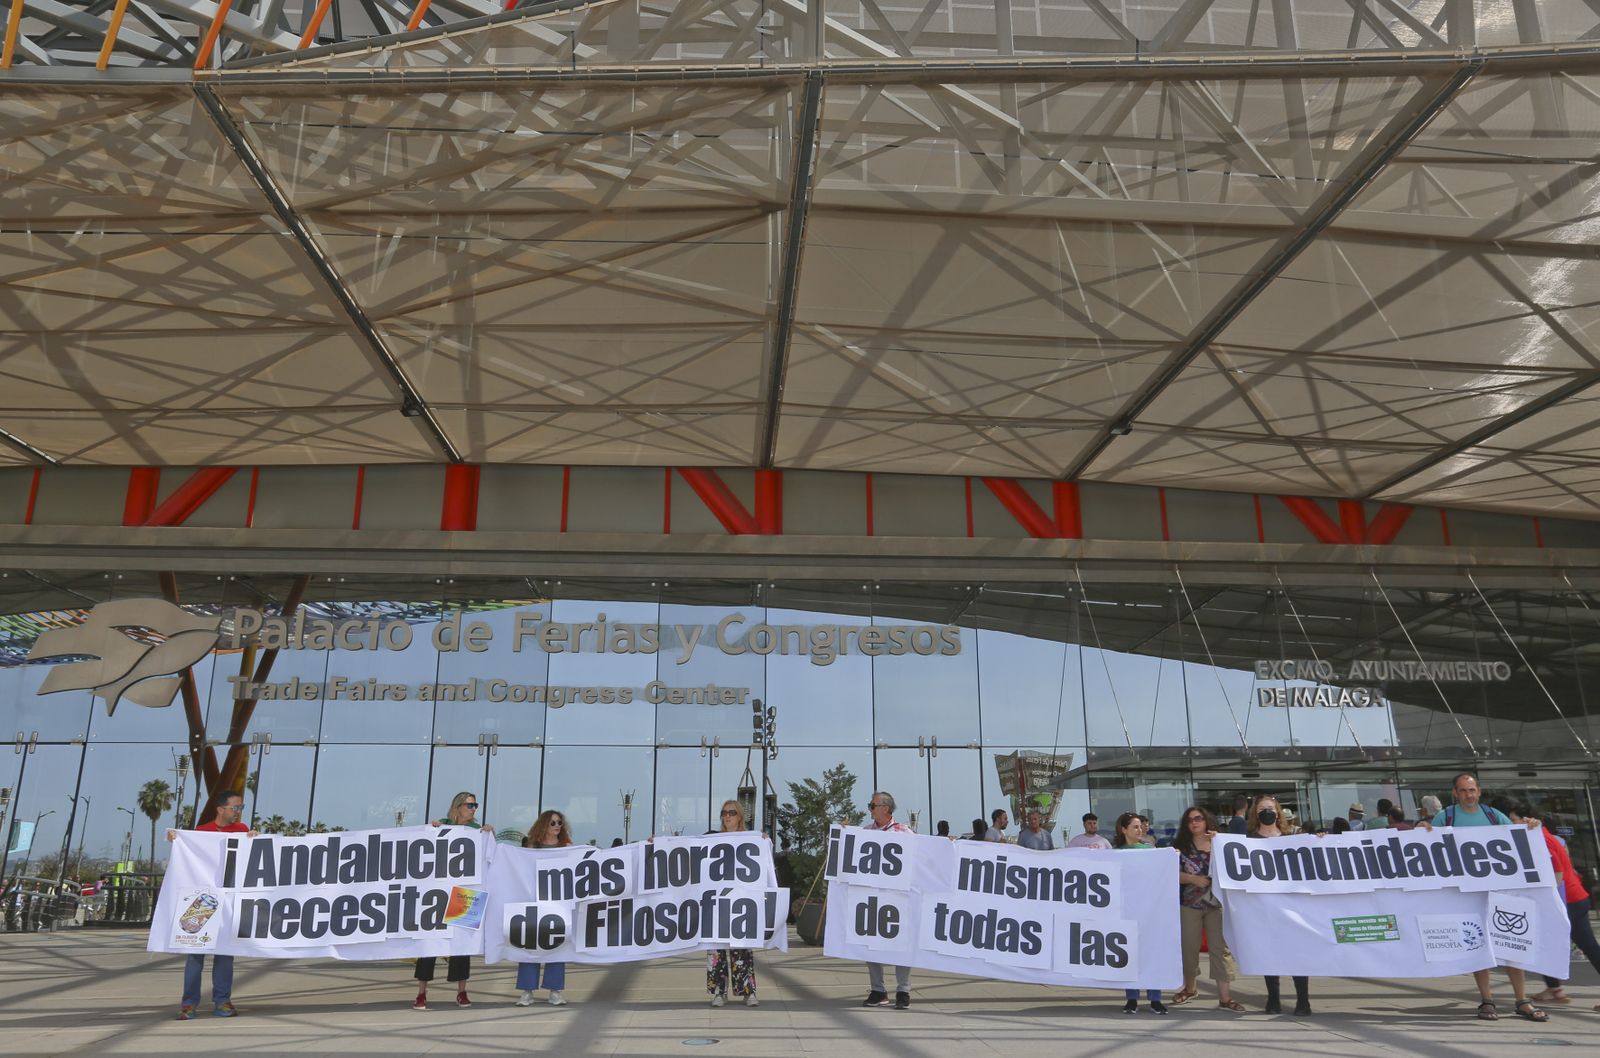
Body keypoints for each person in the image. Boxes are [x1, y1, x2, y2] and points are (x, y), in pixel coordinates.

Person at [1430, 773, 1545, 1022]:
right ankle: (1487, 1000)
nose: (1468, 795)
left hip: (1500, 891)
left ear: (1479, 791)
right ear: (1455, 793)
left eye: (1472, 790)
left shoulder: (1493, 815)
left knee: (1512, 942)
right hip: (1467, 894)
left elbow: (1518, 836)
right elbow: (1428, 844)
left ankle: (1521, 999)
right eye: (1463, 790)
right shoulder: (1445, 816)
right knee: (1477, 944)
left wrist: (1530, 826)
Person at [169, 789, 256, 1020]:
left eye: (240, 808)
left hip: (229, 901)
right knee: (195, 955)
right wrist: (177, 841)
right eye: (235, 807)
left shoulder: (242, 830)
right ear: (220, 809)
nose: (238, 812)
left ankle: (222, 1000)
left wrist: (255, 841)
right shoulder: (201, 832)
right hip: (204, 899)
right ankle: (189, 1003)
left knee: (225, 954)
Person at [1506, 802, 1600, 1012]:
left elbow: (1557, 871)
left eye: (1513, 820)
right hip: (1573, 898)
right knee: (1551, 944)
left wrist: (1549, 899)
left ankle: (1554, 988)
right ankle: (1554, 988)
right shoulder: (1542, 834)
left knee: (1588, 947)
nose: (1511, 824)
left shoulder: (1540, 838)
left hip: (1568, 901)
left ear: (1526, 819)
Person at [413, 791, 490, 1010]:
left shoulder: (478, 831)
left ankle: (461, 991)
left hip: (465, 894)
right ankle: (421, 993)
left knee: (462, 945)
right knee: (429, 943)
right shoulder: (440, 826)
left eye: (475, 805)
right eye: (470, 805)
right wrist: (431, 831)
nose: (474, 809)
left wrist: (488, 834)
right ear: (457, 807)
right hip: (438, 892)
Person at [1172, 806, 1243, 1012]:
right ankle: (1190, 987)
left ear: (1206, 821)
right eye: (1190, 820)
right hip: (1189, 904)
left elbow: (1235, 866)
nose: (1194, 822)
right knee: (1189, 947)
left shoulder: (1219, 844)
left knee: (1220, 950)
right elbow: (1170, 873)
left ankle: (1225, 997)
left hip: (1217, 905)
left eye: (1199, 818)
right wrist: (1193, 878)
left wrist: (1220, 840)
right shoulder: (1180, 847)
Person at [1248, 794, 1312, 1016]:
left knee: (1298, 952)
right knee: (1270, 951)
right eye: (1262, 809)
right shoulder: (1249, 839)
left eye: (1271, 808)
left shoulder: (1292, 836)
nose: (1267, 812)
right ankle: (1273, 998)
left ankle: (1303, 1000)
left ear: (1278, 812)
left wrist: (1321, 839)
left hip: (1292, 903)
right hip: (1264, 905)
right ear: (1256, 814)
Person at [861, 791, 913, 1009]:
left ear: (886, 808)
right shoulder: (864, 833)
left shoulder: (904, 832)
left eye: (872, 805)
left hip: (898, 897)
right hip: (873, 897)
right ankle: (878, 990)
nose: (870, 809)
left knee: (901, 944)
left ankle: (903, 990)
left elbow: (922, 855)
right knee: (870, 944)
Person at [707, 799, 760, 1008]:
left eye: (731, 812)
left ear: (739, 816)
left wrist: (762, 841)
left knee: (742, 948)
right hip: (717, 902)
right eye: (723, 812)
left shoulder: (750, 840)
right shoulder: (710, 840)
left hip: (740, 901)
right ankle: (719, 991)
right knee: (716, 948)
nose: (727, 816)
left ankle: (748, 991)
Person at [516, 809, 571, 1007]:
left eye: (560, 823)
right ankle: (527, 991)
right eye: (553, 823)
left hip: (558, 904)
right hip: (534, 903)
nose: (557, 826)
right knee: (529, 946)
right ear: (544, 825)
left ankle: (555, 991)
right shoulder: (532, 847)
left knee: (557, 948)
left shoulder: (567, 846)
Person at [1111, 813, 1164, 1013]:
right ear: (1123, 830)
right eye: (1134, 827)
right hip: (1128, 908)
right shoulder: (1116, 852)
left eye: (1140, 826)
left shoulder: (1150, 850)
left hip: (1150, 908)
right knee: (1130, 954)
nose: (1139, 830)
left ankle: (1155, 998)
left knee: (1153, 951)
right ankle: (1132, 997)